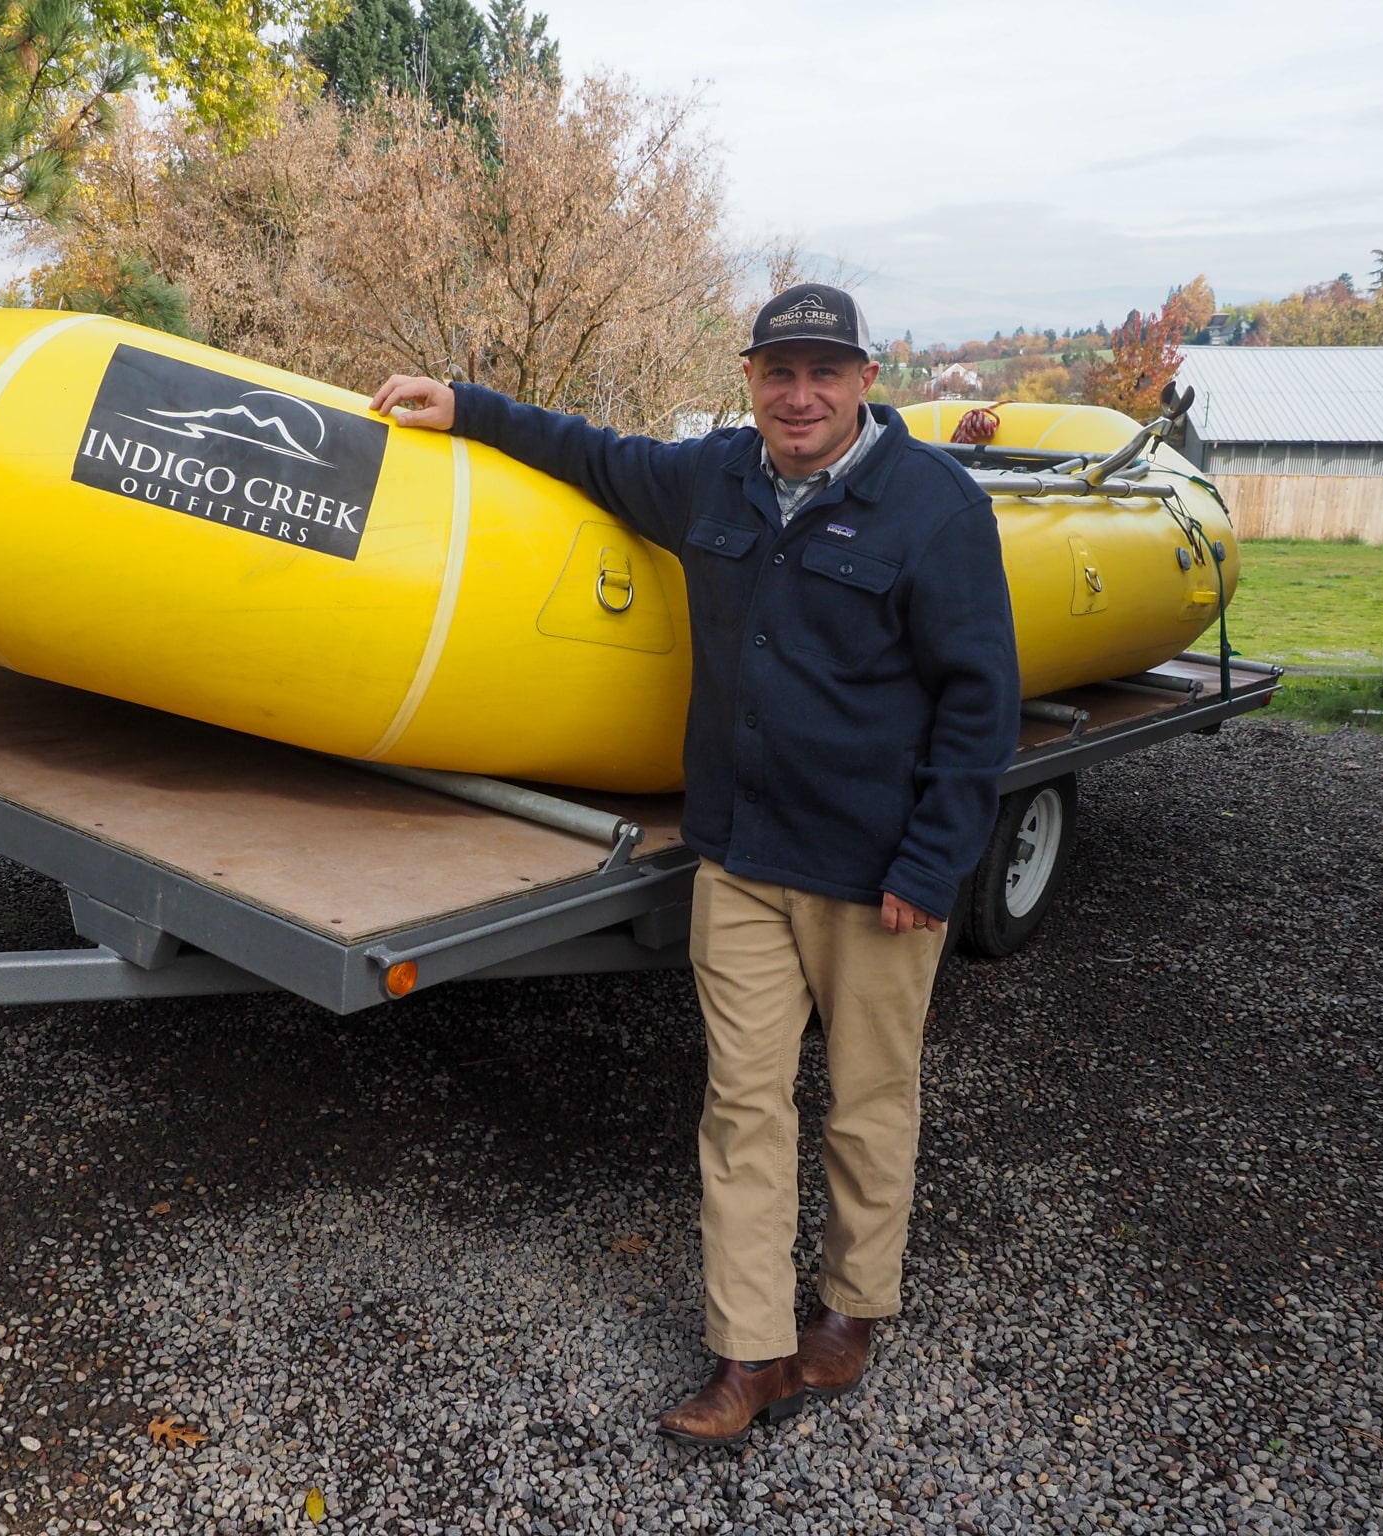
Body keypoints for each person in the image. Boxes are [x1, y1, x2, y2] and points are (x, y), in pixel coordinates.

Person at [370, 283, 1021, 1446]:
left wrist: (932, 864)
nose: (800, 394)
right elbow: (595, 455)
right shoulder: (714, 477)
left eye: (824, 372)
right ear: (750, 380)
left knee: (868, 1104)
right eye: (779, 372)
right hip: (740, 861)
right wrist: (463, 406)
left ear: (866, 380)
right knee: (741, 1107)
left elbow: (980, 707)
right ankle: (750, 1351)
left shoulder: (933, 509)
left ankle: (851, 1311)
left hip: (875, 874)